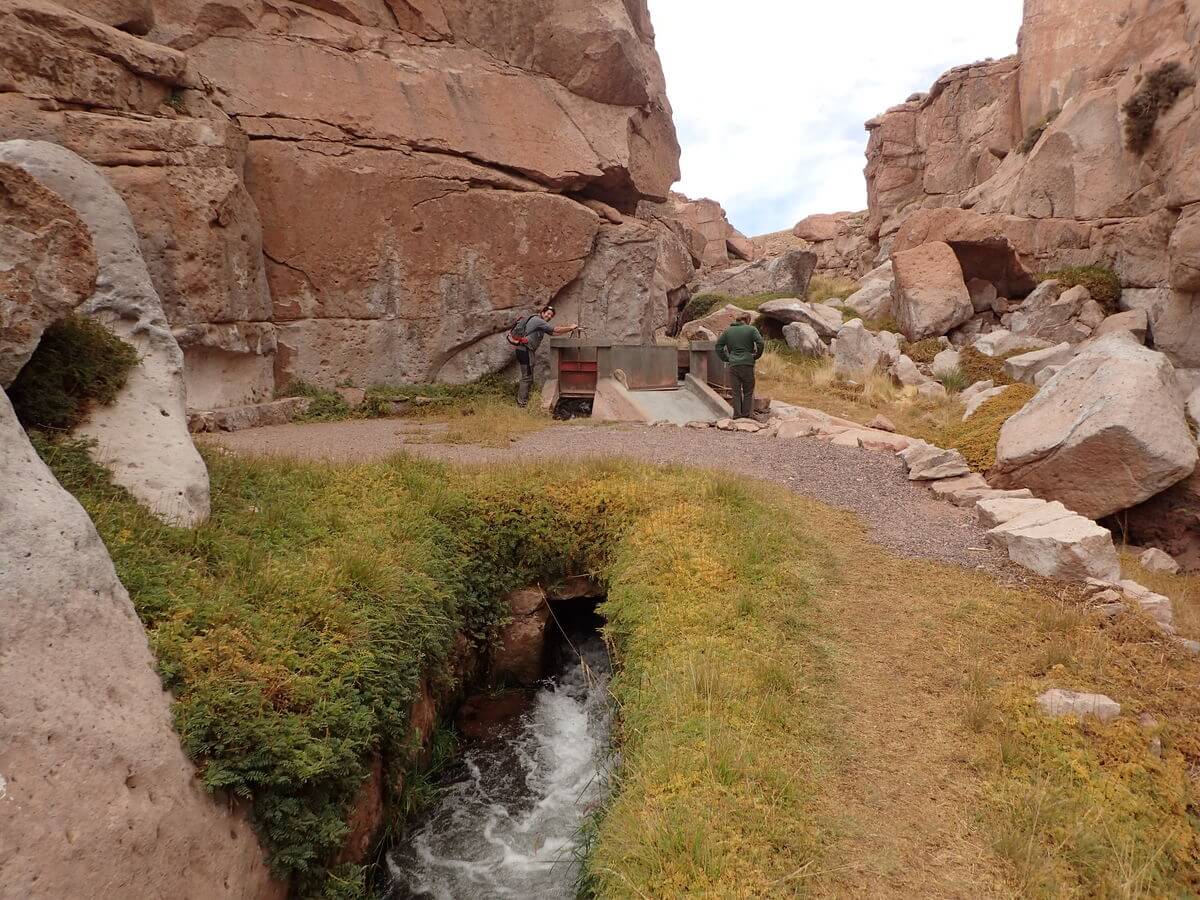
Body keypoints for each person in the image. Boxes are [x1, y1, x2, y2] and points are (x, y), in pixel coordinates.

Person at [507, 305, 578, 408]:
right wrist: (570, 327)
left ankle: (522, 402)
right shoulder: (538, 320)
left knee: (527, 377)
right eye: (548, 314)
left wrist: (568, 330)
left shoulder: (540, 324)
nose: (549, 316)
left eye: (551, 316)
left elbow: (553, 333)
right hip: (525, 350)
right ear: (543, 312)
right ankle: (521, 404)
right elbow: (556, 329)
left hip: (524, 350)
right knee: (527, 378)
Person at [715, 312, 766, 419]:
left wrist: (727, 358)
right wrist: (755, 356)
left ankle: (737, 416)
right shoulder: (751, 329)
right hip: (747, 363)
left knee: (736, 392)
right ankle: (746, 416)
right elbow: (760, 343)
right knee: (748, 391)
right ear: (747, 320)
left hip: (733, 364)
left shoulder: (728, 331)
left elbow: (718, 346)